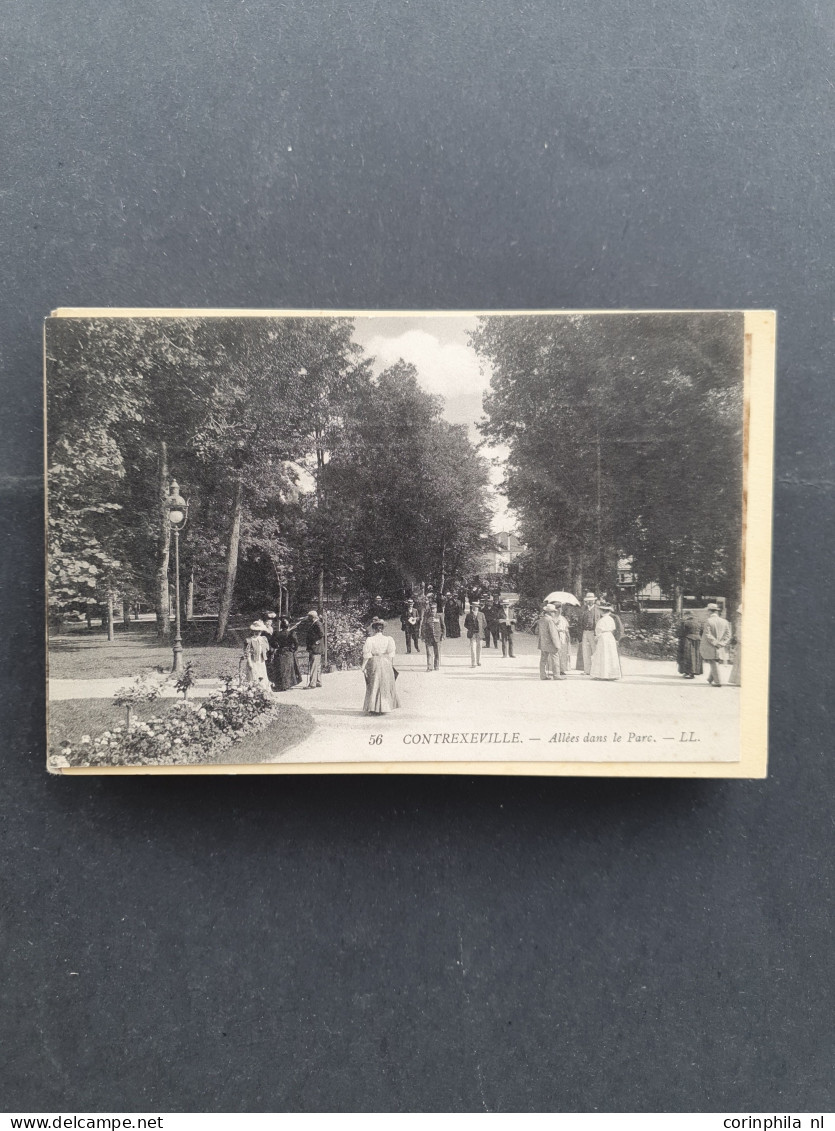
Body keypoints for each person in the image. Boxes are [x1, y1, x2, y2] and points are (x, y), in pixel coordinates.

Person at [362, 618, 400, 715]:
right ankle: (385, 707)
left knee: (374, 684)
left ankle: (373, 707)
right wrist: (390, 665)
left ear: (374, 629)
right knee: (385, 684)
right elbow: (391, 653)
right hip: (385, 661)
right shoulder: (388, 639)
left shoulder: (370, 639)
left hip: (374, 662)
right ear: (382, 629)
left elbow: (367, 654)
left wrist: (363, 666)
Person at [701, 602, 732, 687]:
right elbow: (728, 635)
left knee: (713, 662)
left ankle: (718, 682)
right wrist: (722, 643)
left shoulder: (708, 621)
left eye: (707, 611)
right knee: (715, 661)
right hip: (720, 646)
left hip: (711, 645)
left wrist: (715, 643)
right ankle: (710, 678)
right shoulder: (725, 621)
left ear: (710, 611)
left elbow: (707, 634)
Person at [589, 604, 622, 680]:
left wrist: (597, 637)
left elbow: (598, 630)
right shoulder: (610, 619)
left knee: (603, 654)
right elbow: (613, 628)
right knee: (610, 654)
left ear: (602, 611)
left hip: (603, 637)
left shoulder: (602, 620)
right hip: (610, 636)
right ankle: (611, 674)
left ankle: (602, 674)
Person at [270, 616, 302, 691]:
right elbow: (296, 643)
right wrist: (293, 649)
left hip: (280, 652)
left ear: (281, 626)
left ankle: (281, 685)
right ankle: (288, 685)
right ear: (288, 626)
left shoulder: (277, 633)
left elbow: (271, 642)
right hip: (288, 652)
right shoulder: (291, 633)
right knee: (288, 669)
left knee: (281, 668)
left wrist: (276, 646)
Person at [242, 620, 272, 691]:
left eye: (259, 631)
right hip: (253, 661)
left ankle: (263, 689)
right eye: (256, 631)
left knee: (262, 674)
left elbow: (267, 648)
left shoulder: (263, 639)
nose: (257, 632)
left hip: (261, 660)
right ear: (253, 631)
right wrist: (249, 662)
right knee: (254, 674)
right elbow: (247, 652)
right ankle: (254, 689)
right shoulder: (250, 640)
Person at [575, 592, 601, 673]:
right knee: (586, 652)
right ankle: (587, 670)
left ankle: (596, 670)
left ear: (594, 601)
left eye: (591, 600)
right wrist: (580, 635)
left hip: (593, 632)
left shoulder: (598, 610)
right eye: (588, 600)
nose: (590, 602)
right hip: (585, 632)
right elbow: (579, 623)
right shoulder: (583, 609)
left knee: (595, 651)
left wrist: (598, 634)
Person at [419, 592, 445, 671]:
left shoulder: (439, 616)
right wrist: (422, 636)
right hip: (428, 638)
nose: (433, 610)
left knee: (437, 653)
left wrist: (443, 635)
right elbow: (423, 626)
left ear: (436, 609)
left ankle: (436, 666)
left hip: (437, 637)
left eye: (434, 608)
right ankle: (429, 667)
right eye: (432, 609)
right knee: (429, 653)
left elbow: (443, 626)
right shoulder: (427, 617)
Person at [536, 604, 561, 680]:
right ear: (550, 612)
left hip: (543, 643)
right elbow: (553, 634)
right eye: (553, 612)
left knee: (543, 660)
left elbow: (536, 631)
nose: (554, 613)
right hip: (551, 643)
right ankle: (556, 675)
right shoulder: (550, 621)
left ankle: (542, 675)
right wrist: (557, 645)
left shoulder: (540, 620)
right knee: (555, 658)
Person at [676, 609, 703, 679]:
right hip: (698, 640)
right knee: (696, 656)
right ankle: (694, 672)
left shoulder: (685, 622)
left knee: (688, 656)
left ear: (687, 615)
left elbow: (680, 632)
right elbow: (702, 632)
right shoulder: (699, 622)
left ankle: (687, 672)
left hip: (687, 639)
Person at [303, 610, 324, 689]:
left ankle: (312, 684)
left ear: (313, 617)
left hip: (315, 648)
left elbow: (321, 634)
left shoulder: (317, 623)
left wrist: (315, 641)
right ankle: (318, 681)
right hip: (316, 648)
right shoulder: (315, 623)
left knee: (314, 666)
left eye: (309, 617)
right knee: (317, 666)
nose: (308, 618)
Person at [548, 602, 570, 677]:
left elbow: (566, 628)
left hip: (563, 636)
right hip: (555, 635)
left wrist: (568, 636)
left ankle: (562, 669)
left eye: (561, 609)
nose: (559, 611)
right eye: (558, 609)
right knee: (555, 652)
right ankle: (554, 669)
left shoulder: (563, 618)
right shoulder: (552, 619)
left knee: (563, 653)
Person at [464, 600, 486, 667]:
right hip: (472, 634)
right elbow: (465, 624)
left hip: (479, 634)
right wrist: (470, 629)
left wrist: (481, 629)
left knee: (479, 648)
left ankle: (479, 661)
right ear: (472, 607)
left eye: (477, 606)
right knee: (473, 648)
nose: (476, 608)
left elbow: (485, 624)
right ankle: (473, 663)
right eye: (474, 606)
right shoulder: (469, 615)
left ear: (478, 607)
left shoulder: (481, 614)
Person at [728, 605, 742, 686]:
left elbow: (739, 633)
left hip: (742, 644)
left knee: (740, 661)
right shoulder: (740, 622)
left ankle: (739, 680)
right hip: (742, 643)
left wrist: (738, 639)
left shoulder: (740, 622)